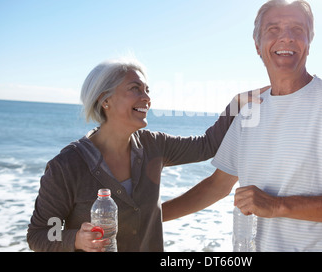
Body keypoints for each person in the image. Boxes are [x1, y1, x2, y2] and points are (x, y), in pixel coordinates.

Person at [162, 0, 322, 252]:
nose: (286, 38)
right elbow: (217, 185)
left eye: (297, 30)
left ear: (308, 43)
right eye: (273, 29)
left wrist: (278, 205)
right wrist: (150, 218)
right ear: (258, 45)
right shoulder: (249, 111)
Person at [27, 58, 266, 252]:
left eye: (147, 90)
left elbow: (207, 146)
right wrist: (76, 239)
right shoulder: (67, 165)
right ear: (105, 99)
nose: (147, 98)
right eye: (135, 89)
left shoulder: (153, 145)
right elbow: (40, 234)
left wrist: (236, 104)